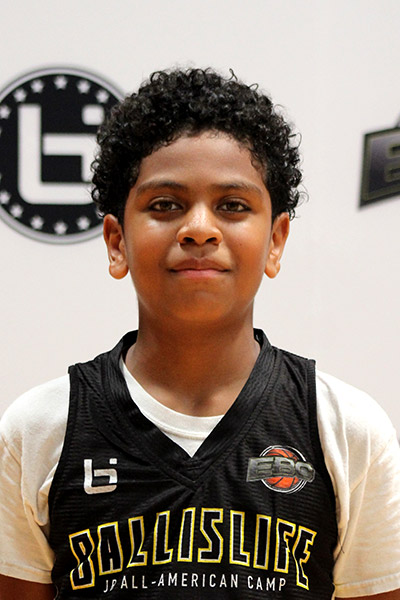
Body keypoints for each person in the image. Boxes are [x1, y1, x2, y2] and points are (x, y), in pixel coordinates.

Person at [0, 68, 399, 600]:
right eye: (165, 205)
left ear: (275, 241)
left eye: (233, 206)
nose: (199, 229)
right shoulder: (40, 430)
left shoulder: (346, 431)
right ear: (116, 242)